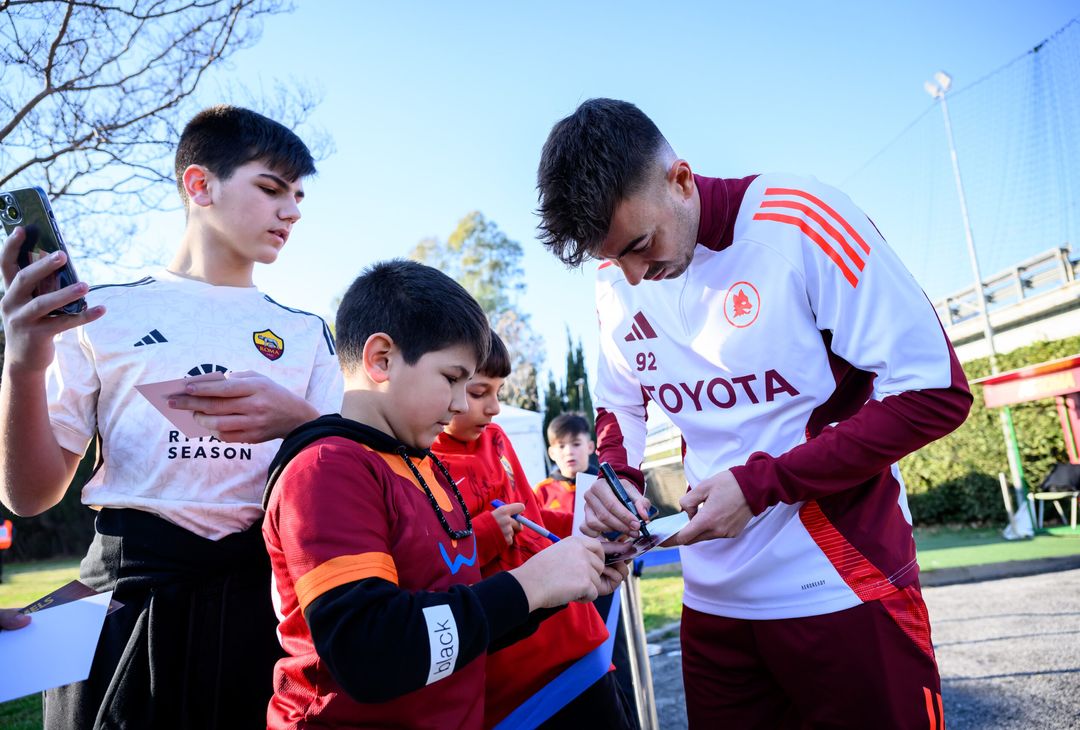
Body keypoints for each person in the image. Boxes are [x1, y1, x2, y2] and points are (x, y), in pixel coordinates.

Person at [535, 98, 972, 729]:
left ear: (681, 180)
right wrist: (615, 480)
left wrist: (763, 483)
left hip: (843, 586)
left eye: (639, 244)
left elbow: (935, 391)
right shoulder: (617, 278)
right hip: (714, 610)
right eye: (613, 257)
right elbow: (622, 402)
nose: (634, 274)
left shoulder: (798, 220)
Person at [0, 106, 344, 729]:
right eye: (271, 188)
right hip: (125, 603)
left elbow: (346, 479)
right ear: (199, 185)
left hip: (261, 607)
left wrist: (301, 421)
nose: (291, 211)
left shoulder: (307, 333)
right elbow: (28, 495)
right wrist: (24, 363)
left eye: (298, 196)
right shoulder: (100, 312)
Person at [261, 259, 627, 730]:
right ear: (381, 360)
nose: (460, 403)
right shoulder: (326, 469)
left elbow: (457, 626)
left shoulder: (424, 466)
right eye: (452, 378)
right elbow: (371, 654)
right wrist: (530, 586)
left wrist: (559, 585)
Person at [431, 332, 632, 729]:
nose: (494, 408)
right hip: (516, 676)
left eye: (499, 391)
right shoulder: (420, 461)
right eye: (478, 391)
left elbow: (534, 518)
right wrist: (485, 534)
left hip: (578, 643)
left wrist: (598, 529)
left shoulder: (498, 439)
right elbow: (430, 569)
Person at [535, 412, 597, 515]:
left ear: (590, 447)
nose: (569, 451)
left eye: (576, 444)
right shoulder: (541, 491)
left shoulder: (604, 485)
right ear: (551, 453)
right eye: (561, 446)